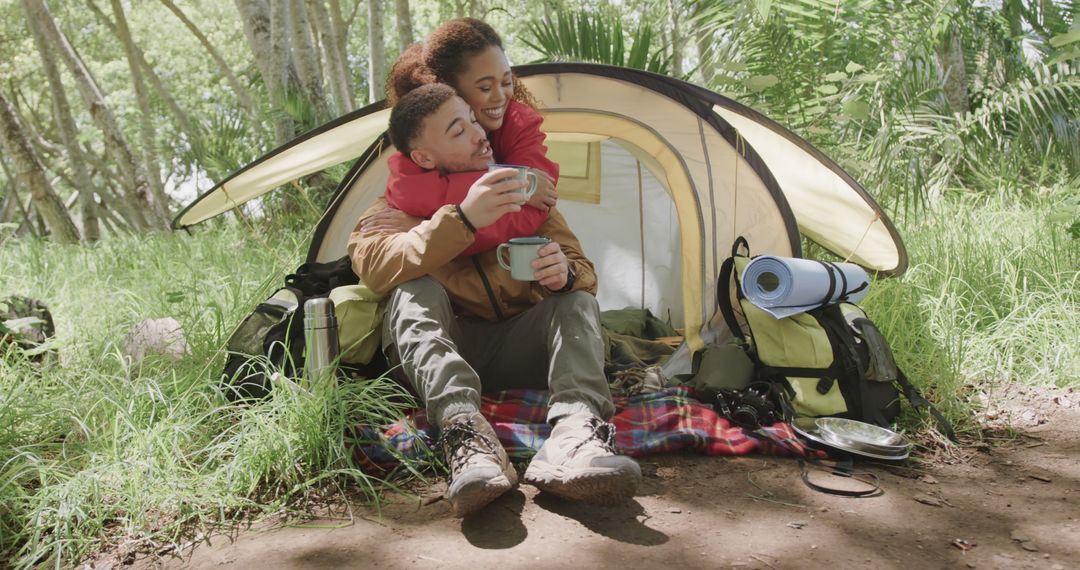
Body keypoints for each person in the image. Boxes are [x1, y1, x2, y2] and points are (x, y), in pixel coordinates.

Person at [348, 83, 641, 517]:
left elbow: (584, 271)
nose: (478, 133)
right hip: (444, 353)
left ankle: (575, 437)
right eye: (457, 130)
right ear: (424, 157)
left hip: (516, 345)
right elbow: (374, 264)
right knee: (412, 290)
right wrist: (461, 219)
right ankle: (466, 435)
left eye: (472, 118)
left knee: (576, 301)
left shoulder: (522, 192)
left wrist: (565, 273)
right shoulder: (395, 207)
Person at [360, 18, 559, 256]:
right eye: (485, 88)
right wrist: (514, 184)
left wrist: (425, 226)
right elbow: (409, 191)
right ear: (447, 87)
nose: (500, 97)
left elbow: (531, 213)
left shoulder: (520, 122)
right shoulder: (421, 125)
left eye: (506, 82)